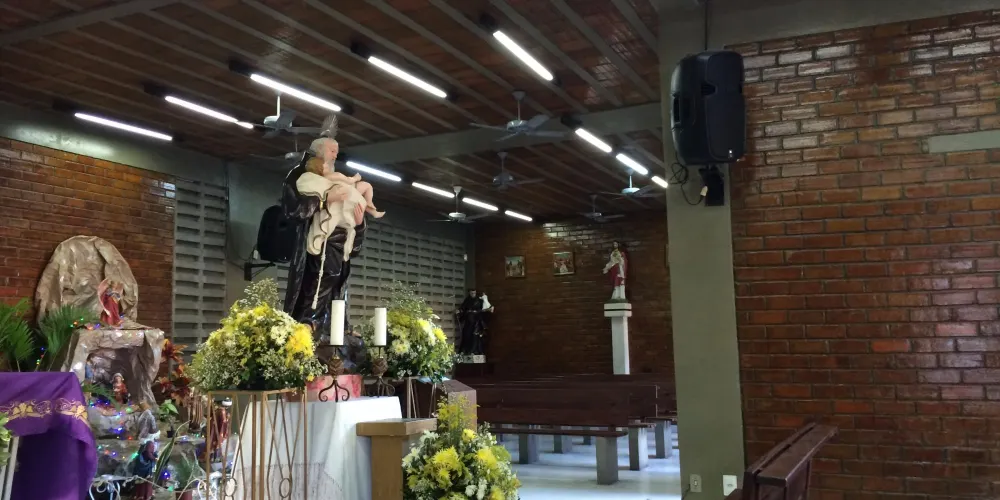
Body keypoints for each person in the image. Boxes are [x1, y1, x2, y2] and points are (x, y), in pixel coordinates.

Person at [281, 116, 369, 368]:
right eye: (332, 150)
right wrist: (323, 201)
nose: (335, 155)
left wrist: (359, 223)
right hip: (317, 243)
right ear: (319, 151)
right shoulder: (301, 175)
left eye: (337, 151)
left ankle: (336, 329)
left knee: (338, 283)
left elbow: (354, 211)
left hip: (341, 241)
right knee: (318, 282)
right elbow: (293, 210)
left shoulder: (338, 177)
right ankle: (310, 324)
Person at [456, 290, 494, 356]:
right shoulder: (467, 300)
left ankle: (474, 351)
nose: (473, 294)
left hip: (476, 321)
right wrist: (459, 311)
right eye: (472, 293)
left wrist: (489, 308)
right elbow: (463, 308)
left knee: (475, 336)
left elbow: (486, 307)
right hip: (468, 322)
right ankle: (465, 350)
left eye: (474, 293)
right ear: (469, 293)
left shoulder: (479, 300)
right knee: (466, 335)